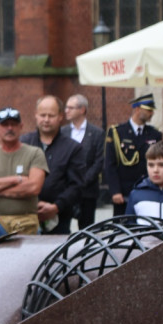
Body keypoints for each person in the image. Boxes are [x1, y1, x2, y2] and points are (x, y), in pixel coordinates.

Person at [0, 108, 48, 238]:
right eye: (5, 125)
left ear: (21, 126)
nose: (9, 128)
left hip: (26, 223)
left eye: (13, 124)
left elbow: (34, 187)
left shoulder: (35, 153)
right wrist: (15, 179)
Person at [21, 96, 85, 235]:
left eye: (51, 116)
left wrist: (56, 207)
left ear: (60, 116)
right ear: (36, 115)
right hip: (24, 217)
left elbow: (76, 185)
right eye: (42, 115)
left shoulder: (73, 148)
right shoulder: (24, 144)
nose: (46, 119)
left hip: (59, 219)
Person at [104, 93, 162, 216]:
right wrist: (115, 191)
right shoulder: (117, 132)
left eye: (152, 110)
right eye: (149, 110)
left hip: (147, 190)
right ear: (137, 109)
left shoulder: (155, 134)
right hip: (124, 193)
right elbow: (110, 164)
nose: (152, 113)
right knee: (123, 225)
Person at [61, 94, 106, 228]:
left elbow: (99, 161)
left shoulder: (97, 133)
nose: (66, 111)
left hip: (88, 191)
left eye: (71, 108)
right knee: (62, 227)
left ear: (82, 110)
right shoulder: (62, 132)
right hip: (66, 190)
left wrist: (82, 181)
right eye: (66, 107)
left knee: (87, 228)